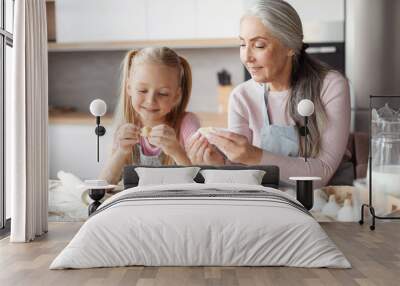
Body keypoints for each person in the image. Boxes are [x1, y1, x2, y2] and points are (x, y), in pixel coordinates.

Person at [187, 0, 351, 187]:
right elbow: (242, 175)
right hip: (267, 203)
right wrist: (218, 164)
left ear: (290, 46)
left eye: (258, 45)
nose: (247, 57)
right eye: (242, 44)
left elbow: (323, 172)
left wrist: (253, 155)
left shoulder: (330, 86)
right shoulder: (242, 97)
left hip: (324, 205)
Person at [100, 47, 200, 184]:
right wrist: (122, 151)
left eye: (163, 93)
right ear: (129, 87)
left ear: (176, 96)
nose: (150, 101)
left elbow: (199, 182)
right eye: (142, 90)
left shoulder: (187, 124)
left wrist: (177, 151)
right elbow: (105, 184)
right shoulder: (126, 128)